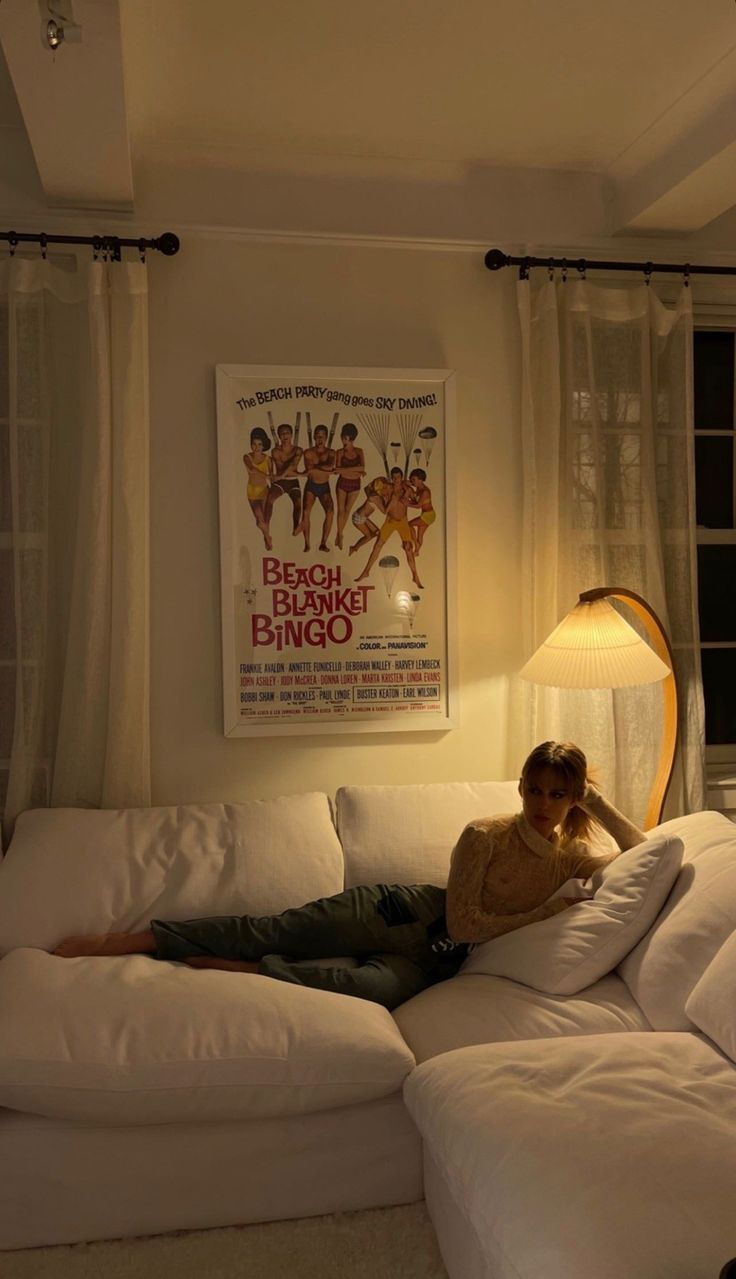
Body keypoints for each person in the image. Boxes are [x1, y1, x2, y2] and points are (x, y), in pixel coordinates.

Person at [51, 742, 644, 1011]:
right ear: (519, 788)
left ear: (572, 799)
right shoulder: (483, 834)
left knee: (374, 994)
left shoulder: (570, 858)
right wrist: (544, 914)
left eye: (558, 794)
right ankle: (144, 939)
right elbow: (464, 920)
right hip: (399, 912)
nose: (543, 803)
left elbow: (643, 851)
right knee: (271, 928)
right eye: (535, 789)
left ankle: (258, 974)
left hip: (435, 960)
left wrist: (596, 802)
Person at [355, 467, 423, 590]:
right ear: (391, 478)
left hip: (402, 521)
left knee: (408, 548)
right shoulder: (387, 488)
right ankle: (366, 571)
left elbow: (417, 503)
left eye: (398, 477)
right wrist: (380, 500)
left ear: (401, 477)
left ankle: (415, 576)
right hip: (390, 521)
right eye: (394, 477)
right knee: (377, 545)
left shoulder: (407, 489)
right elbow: (367, 490)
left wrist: (409, 501)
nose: (396, 479)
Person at [298, 424, 335, 552]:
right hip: (311, 486)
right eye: (318, 436)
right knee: (306, 512)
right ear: (314, 436)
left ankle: (323, 543)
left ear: (326, 438)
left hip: (324, 486)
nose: (320, 439)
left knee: (330, 512)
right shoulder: (308, 452)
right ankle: (307, 543)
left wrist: (317, 468)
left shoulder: (331, 452)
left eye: (322, 437)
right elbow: (310, 470)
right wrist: (324, 469)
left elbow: (330, 467)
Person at [265, 422, 303, 537]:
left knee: (298, 503)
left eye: (287, 433)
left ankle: (296, 527)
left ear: (291, 435)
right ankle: (266, 527)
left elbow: (292, 465)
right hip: (281, 482)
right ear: (279, 436)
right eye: (282, 433)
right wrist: (282, 475)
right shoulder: (275, 451)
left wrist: (281, 476)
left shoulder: (298, 450)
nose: (285, 435)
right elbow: (284, 468)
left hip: (292, 481)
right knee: (269, 499)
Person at [333, 423, 366, 549]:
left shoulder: (359, 451)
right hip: (342, 483)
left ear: (352, 439)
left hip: (355, 485)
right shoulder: (339, 452)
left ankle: (339, 533)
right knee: (341, 510)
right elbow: (337, 470)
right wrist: (357, 471)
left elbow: (362, 467)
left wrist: (348, 470)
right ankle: (340, 534)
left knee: (347, 510)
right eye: (344, 438)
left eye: (347, 439)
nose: (345, 441)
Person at [243, 427, 273, 550]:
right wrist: (266, 475)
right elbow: (252, 469)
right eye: (254, 444)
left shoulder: (268, 459)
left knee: (265, 519)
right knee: (259, 521)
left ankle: (266, 539)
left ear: (263, 445)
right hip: (252, 492)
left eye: (259, 444)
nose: (256, 447)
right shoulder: (247, 457)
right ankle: (268, 537)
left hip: (264, 491)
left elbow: (272, 477)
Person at [407, 467, 436, 555]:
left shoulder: (425, 492)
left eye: (414, 480)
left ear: (420, 480)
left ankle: (416, 544)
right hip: (426, 515)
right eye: (412, 480)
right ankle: (417, 551)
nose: (412, 482)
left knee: (409, 524)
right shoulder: (418, 489)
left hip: (428, 515)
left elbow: (418, 506)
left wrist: (407, 503)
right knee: (420, 535)